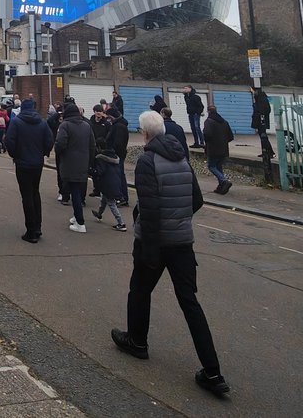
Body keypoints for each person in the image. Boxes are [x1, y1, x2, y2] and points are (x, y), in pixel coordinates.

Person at [111, 110, 230, 397]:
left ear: (145, 133)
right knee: (190, 303)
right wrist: (179, 220)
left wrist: (150, 249)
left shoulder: (147, 161)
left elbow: (149, 210)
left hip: (154, 241)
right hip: (182, 244)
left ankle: (137, 342)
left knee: (139, 290)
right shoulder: (182, 159)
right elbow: (197, 201)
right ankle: (213, 372)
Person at [4, 97, 54, 244]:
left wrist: (16, 155)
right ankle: (37, 228)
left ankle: (31, 231)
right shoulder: (42, 123)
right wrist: (43, 153)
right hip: (37, 163)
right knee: (35, 193)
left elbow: (9, 141)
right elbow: (49, 141)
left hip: (23, 163)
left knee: (26, 196)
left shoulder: (16, 122)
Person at [54, 101, 97, 233]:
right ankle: (76, 216)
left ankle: (80, 222)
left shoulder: (65, 125)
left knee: (75, 193)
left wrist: (59, 153)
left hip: (69, 163)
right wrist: (89, 162)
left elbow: (60, 144)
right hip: (83, 163)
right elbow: (92, 145)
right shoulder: (86, 125)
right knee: (78, 190)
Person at [91, 106, 127, 230]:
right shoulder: (113, 158)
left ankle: (121, 223)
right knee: (104, 201)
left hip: (108, 184)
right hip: (112, 183)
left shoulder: (102, 158)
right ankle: (99, 214)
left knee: (111, 203)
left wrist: (92, 172)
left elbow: (100, 172)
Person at [202, 106, 234, 195]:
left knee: (211, 166)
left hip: (213, 149)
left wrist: (206, 141)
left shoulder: (208, 122)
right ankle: (221, 187)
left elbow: (207, 134)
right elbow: (230, 137)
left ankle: (224, 181)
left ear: (208, 112)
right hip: (223, 149)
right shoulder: (224, 122)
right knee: (219, 167)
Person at [108, 106, 130, 207]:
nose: (108, 119)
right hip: (119, 154)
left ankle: (122, 197)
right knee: (119, 175)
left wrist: (112, 151)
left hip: (118, 155)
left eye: (109, 117)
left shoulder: (119, 126)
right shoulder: (119, 124)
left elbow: (118, 143)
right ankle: (121, 196)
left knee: (119, 175)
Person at [251, 87, 274, 161]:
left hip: (261, 121)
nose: (253, 93)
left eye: (253, 91)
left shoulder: (262, 100)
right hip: (259, 121)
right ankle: (265, 151)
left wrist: (260, 116)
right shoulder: (259, 99)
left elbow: (265, 110)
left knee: (263, 137)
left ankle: (269, 152)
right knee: (262, 137)